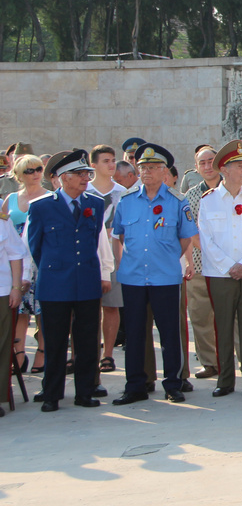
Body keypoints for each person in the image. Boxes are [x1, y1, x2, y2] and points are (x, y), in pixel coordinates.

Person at [110, 143, 198, 405]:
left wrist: (168, 258)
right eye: (142, 168)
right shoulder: (126, 202)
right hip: (134, 276)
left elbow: (185, 238)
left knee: (170, 333)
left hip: (165, 276)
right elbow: (120, 235)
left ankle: (173, 383)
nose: (146, 173)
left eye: (152, 168)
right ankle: (135, 385)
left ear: (164, 171)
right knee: (135, 334)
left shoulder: (177, 202)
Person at [26, 149, 111, 411]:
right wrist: (55, 269)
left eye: (87, 173)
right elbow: (35, 247)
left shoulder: (95, 204)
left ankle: (84, 392)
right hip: (54, 284)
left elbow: (95, 238)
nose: (86, 178)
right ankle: (51, 394)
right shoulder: (41, 207)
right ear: (63, 178)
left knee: (86, 341)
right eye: (79, 174)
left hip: (86, 281)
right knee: (55, 341)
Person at [198, 140, 242, 397]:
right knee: (223, 327)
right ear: (224, 169)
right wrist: (230, 266)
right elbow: (206, 239)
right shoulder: (209, 200)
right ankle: (225, 380)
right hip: (220, 274)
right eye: (239, 165)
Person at [87, 145, 127, 378]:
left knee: (111, 306)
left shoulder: (122, 192)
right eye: (105, 161)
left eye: (113, 160)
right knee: (88, 309)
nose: (111, 165)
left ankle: (108, 354)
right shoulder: (85, 191)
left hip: (114, 256)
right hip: (88, 257)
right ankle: (88, 353)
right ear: (93, 165)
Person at [184, 145, 221, 378]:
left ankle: (241, 360)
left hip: (230, 265)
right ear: (196, 168)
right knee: (200, 314)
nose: (207, 166)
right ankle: (210, 362)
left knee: (233, 316)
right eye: (202, 163)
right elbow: (191, 230)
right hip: (200, 263)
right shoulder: (191, 195)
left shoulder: (233, 189)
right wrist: (210, 252)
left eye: (211, 161)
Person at [7, 153, 45, 375]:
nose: (35, 174)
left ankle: (42, 352)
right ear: (19, 175)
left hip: (40, 258)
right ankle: (18, 355)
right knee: (19, 309)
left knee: (43, 309)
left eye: (38, 169)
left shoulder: (50, 197)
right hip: (17, 259)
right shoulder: (10, 199)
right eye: (29, 171)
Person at [0, 208, 24, 415]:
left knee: (2, 344)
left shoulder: (2, 218)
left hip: (1, 290)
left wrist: (16, 288)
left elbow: (15, 253)